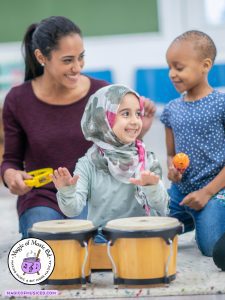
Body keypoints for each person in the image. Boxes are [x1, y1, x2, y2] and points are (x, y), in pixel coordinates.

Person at [0, 16, 156, 239]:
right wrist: (11, 175)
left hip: (94, 195)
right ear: (41, 57)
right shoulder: (18, 100)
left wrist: (138, 132)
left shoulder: (103, 93)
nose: (77, 67)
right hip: (42, 196)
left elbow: (119, 154)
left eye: (81, 57)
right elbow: (10, 160)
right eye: (67, 60)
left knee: (89, 245)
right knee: (46, 250)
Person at [51, 84, 169, 241]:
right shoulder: (88, 164)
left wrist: (152, 188)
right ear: (104, 118)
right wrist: (66, 191)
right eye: (126, 114)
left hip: (143, 234)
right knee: (90, 238)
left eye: (138, 113)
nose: (135, 121)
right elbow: (72, 210)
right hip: (104, 235)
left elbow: (163, 208)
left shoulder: (146, 159)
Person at [160, 30, 225, 257]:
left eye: (179, 68)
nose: (171, 74)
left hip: (216, 190)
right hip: (181, 194)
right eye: (169, 67)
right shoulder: (171, 110)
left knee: (211, 249)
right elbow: (170, 153)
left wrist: (207, 193)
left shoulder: (221, 104)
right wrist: (172, 170)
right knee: (155, 234)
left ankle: (213, 215)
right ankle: (194, 219)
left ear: (205, 65)